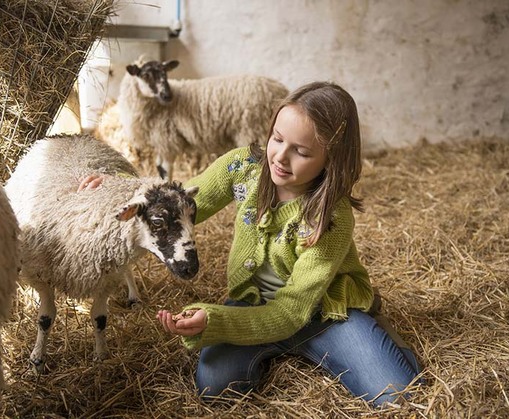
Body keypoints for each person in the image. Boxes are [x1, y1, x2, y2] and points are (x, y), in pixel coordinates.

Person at [152, 81, 422, 407]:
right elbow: (175, 202)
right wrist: (114, 187)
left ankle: (368, 329)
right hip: (255, 303)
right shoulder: (242, 169)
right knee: (216, 389)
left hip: (324, 312)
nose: (280, 156)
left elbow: (292, 312)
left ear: (330, 158)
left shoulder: (330, 216)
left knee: (397, 395)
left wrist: (217, 321)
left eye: (302, 151)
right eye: (277, 138)